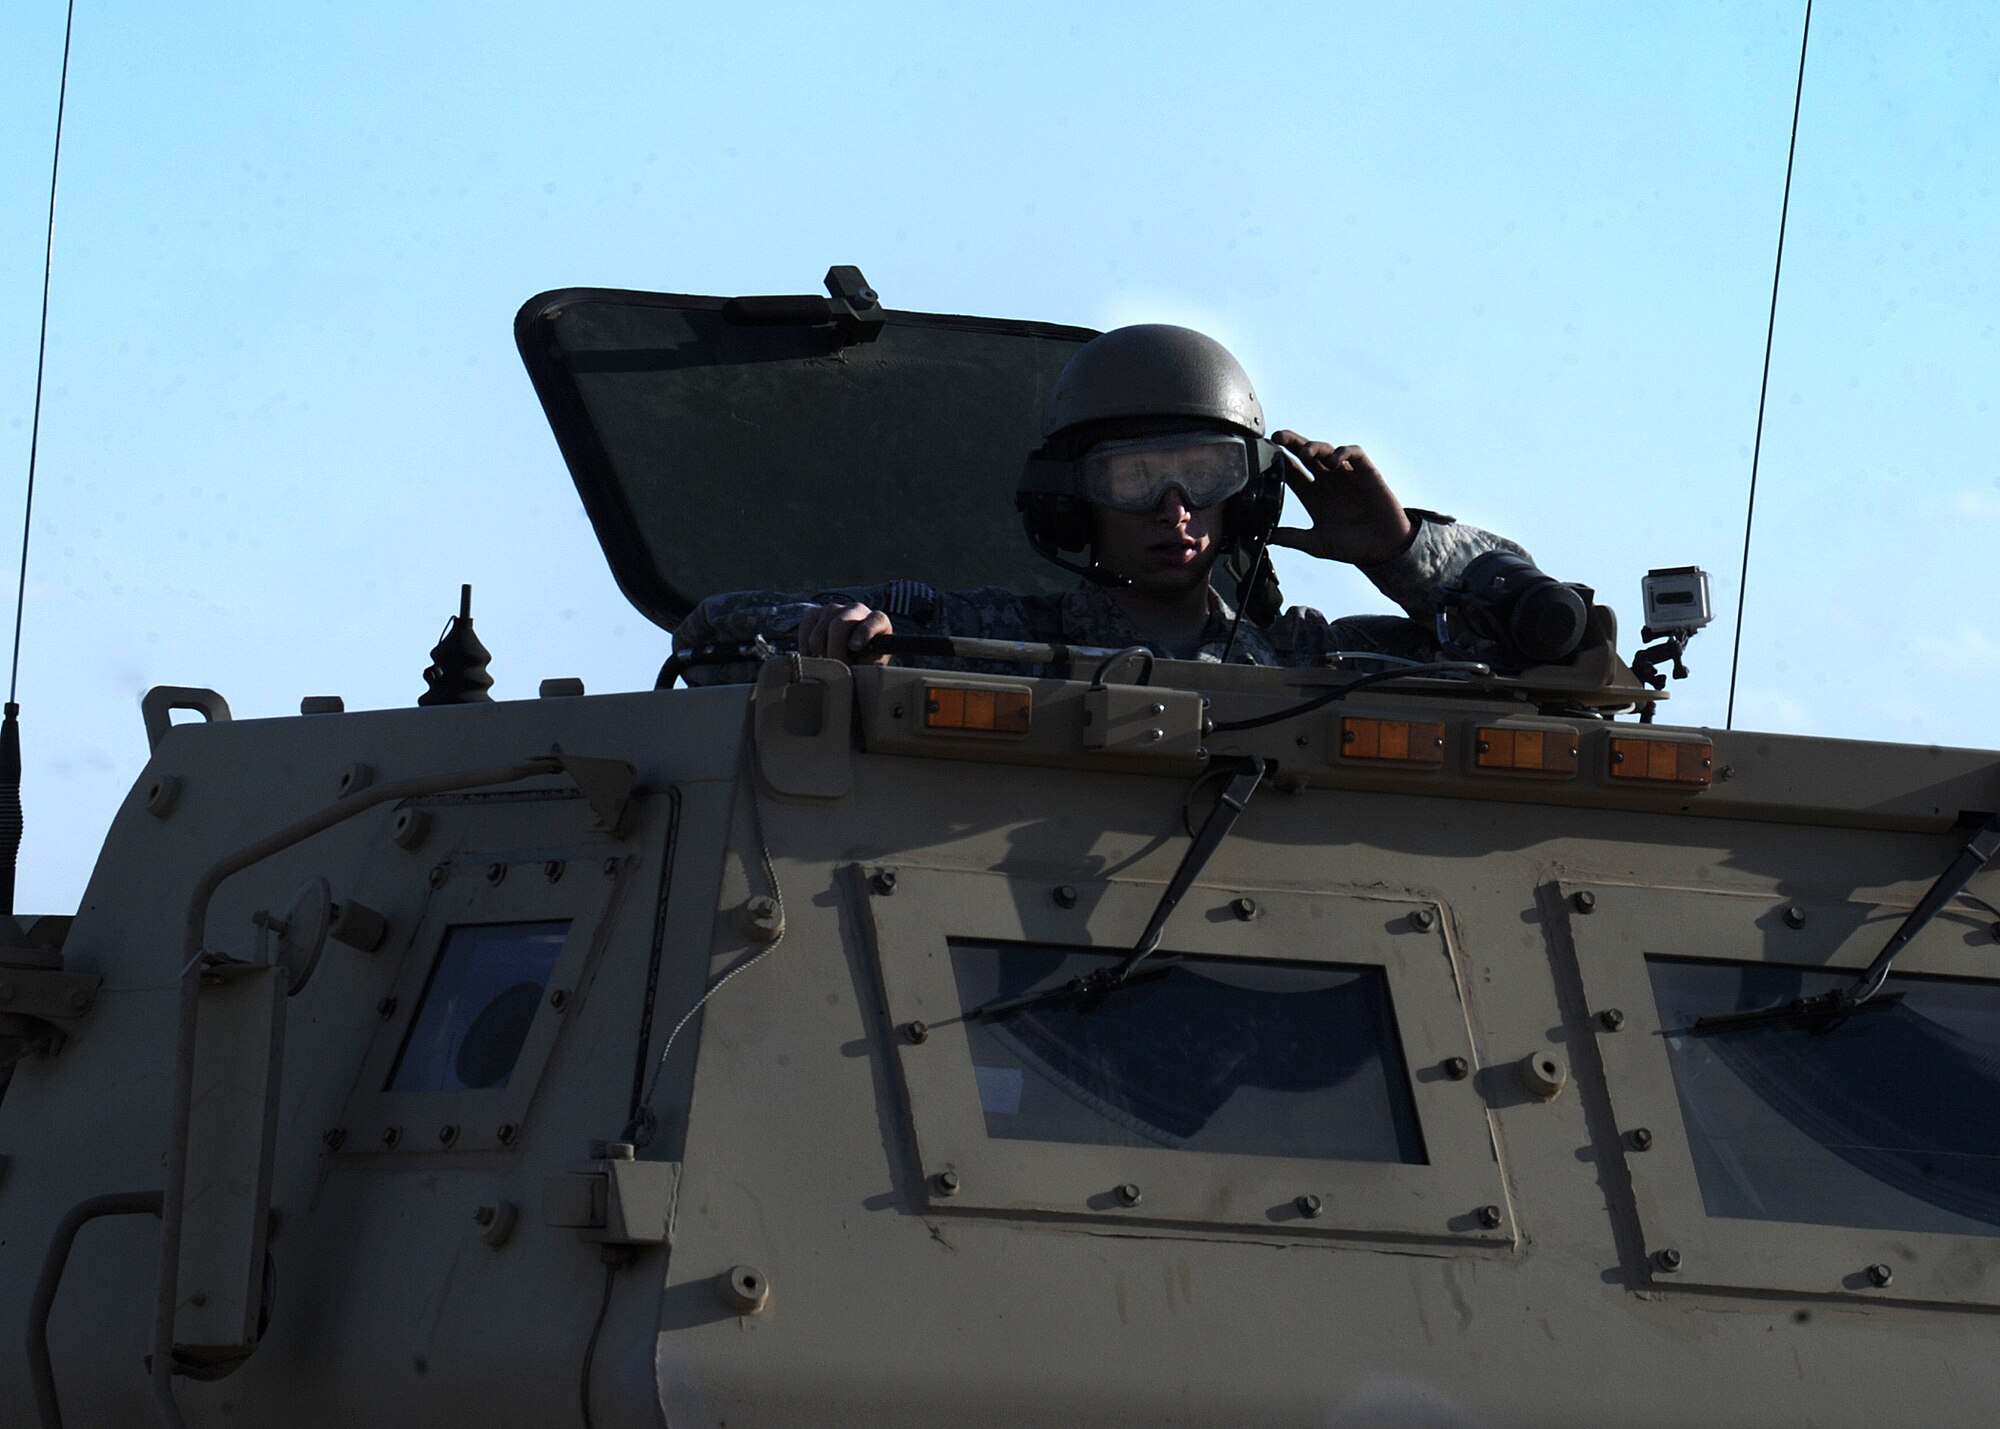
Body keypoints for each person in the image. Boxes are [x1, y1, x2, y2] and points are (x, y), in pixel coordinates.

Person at [674, 324, 1527, 679]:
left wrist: (1399, 553)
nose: (1173, 509)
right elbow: (713, 633)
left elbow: (1537, 653)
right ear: (1073, 505)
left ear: (1247, 498)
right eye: (1134, 478)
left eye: (1204, 474)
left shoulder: (1306, 661)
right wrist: (835, 636)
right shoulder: (988, 643)